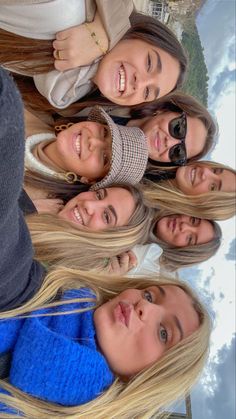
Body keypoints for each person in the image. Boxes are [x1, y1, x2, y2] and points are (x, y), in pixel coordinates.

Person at [0, 271, 211, 418]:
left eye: (163, 333)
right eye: (150, 295)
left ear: (154, 378)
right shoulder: (43, 283)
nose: (145, 305)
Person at [0, 10, 187, 111]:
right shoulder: (64, 13)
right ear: (139, 33)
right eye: (149, 63)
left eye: (147, 92)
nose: (140, 83)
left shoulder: (69, 94)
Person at [142, 160, 236, 220]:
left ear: (204, 206)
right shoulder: (160, 156)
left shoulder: (144, 213)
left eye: (212, 187)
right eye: (215, 170)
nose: (205, 172)